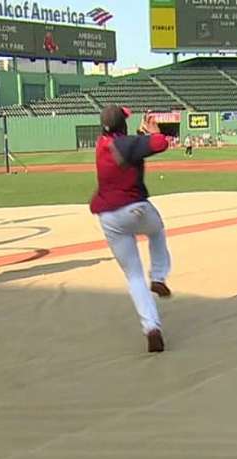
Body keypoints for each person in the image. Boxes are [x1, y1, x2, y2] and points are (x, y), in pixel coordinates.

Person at [92, 106, 172, 353]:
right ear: (122, 125)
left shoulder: (101, 144)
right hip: (136, 209)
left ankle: (151, 327)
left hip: (109, 216)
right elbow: (160, 143)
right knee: (157, 230)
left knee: (134, 276)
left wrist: (140, 136)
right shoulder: (125, 145)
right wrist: (153, 132)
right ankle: (158, 276)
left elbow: (128, 148)